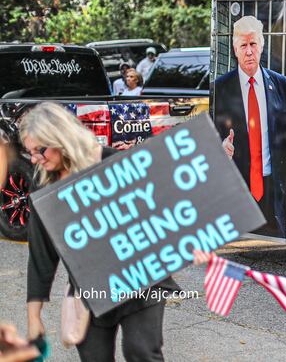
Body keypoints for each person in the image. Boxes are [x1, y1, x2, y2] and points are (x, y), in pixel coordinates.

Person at [22, 102, 179, 361]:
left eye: (40, 150)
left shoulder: (111, 162)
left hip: (140, 280)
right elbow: (41, 256)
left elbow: (162, 213)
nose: (36, 159)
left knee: (141, 351)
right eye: (31, 154)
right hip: (90, 292)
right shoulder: (43, 187)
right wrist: (33, 317)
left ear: (59, 137)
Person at [214, 16, 286, 239]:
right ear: (235, 49)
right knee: (239, 263)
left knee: (273, 262)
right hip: (236, 196)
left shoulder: (280, 84)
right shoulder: (220, 88)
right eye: (243, 45)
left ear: (261, 46)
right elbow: (210, 140)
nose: (249, 51)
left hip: (273, 195)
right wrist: (220, 147)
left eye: (253, 44)